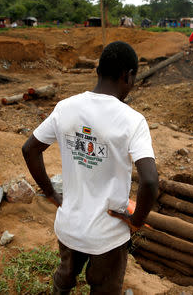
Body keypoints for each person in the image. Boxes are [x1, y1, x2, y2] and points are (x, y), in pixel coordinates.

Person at [22, 41, 158, 295]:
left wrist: (51, 193)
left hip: (69, 226)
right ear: (127, 76)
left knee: (64, 279)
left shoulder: (65, 108)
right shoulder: (133, 121)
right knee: (104, 287)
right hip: (108, 236)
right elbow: (150, 181)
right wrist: (136, 220)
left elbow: (30, 149)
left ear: (98, 70)